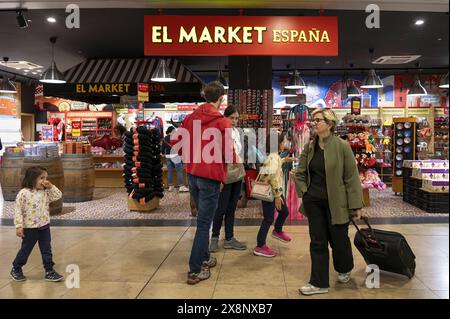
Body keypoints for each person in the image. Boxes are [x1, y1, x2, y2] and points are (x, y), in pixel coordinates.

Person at [294, 108, 363, 296]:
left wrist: (355, 205)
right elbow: (299, 173)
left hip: (337, 203)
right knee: (317, 241)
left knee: (339, 240)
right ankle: (319, 283)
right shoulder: (310, 147)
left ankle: (344, 267)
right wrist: (305, 193)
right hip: (314, 202)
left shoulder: (342, 146)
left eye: (318, 120)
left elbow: (351, 177)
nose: (314, 123)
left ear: (330, 124)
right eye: (313, 120)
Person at [173, 81, 235, 285]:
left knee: (202, 218)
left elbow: (177, 144)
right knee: (203, 224)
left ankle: (205, 257)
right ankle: (195, 270)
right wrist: (223, 174)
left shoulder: (191, 118)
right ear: (221, 99)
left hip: (192, 174)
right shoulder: (222, 122)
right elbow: (228, 154)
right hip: (210, 176)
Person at [10, 166, 64, 282]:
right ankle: (16, 268)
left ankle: (49, 271)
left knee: (46, 250)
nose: (45, 181)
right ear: (32, 178)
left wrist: (51, 186)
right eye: (41, 178)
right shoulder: (23, 193)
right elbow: (18, 210)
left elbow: (58, 195)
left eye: (46, 178)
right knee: (26, 249)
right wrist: (19, 226)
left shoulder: (45, 192)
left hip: (44, 226)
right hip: (30, 228)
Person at [209, 105, 246, 252]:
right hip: (224, 174)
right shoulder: (219, 133)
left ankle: (229, 238)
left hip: (237, 173)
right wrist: (219, 178)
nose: (235, 121)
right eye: (232, 118)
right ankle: (215, 237)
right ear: (225, 117)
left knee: (232, 208)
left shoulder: (237, 132)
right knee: (221, 208)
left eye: (237, 118)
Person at [254, 132, 295, 258]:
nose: (285, 144)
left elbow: (273, 168)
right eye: (283, 141)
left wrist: (283, 160)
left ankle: (277, 230)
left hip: (274, 191)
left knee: (284, 212)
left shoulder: (274, 156)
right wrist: (277, 196)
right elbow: (272, 177)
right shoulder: (273, 158)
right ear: (277, 144)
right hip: (272, 192)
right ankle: (260, 246)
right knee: (268, 218)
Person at [162, 126, 189, 192]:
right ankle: (181, 186)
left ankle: (170, 186)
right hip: (176, 156)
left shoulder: (164, 139)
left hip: (168, 157)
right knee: (179, 171)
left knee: (170, 172)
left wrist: (164, 154)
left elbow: (162, 150)